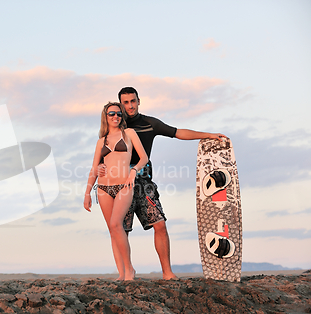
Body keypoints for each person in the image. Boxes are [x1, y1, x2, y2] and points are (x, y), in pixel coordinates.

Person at [99, 87, 227, 280]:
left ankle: (167, 272)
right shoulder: (113, 124)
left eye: (133, 101)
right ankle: (124, 274)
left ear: (139, 101)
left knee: (159, 223)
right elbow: (103, 153)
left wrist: (207, 135)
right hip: (118, 183)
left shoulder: (150, 123)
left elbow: (177, 132)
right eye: (125, 102)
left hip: (142, 182)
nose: (130, 106)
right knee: (118, 229)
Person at [84, 102, 148, 281]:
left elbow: (143, 158)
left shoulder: (129, 134)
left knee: (116, 224)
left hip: (124, 185)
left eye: (119, 114)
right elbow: (94, 168)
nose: (115, 117)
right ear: (105, 116)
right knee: (112, 229)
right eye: (111, 114)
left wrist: (133, 171)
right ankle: (121, 273)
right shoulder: (100, 141)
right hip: (103, 188)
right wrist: (87, 193)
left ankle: (130, 270)